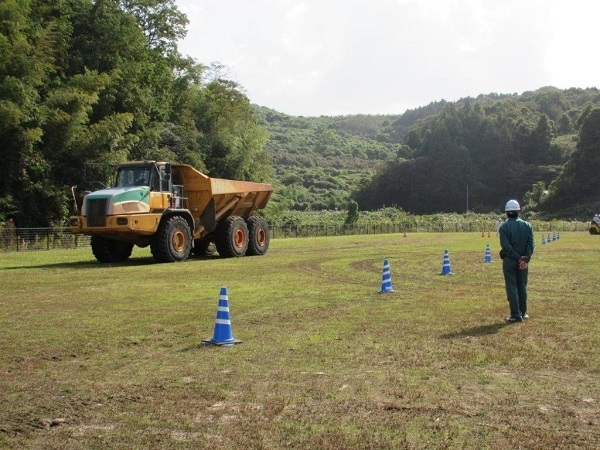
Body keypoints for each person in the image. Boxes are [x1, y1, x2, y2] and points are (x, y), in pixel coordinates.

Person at [499, 199, 535, 323]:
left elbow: (506, 247)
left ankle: (515, 314)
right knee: (522, 286)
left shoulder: (504, 227)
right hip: (523, 262)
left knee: (512, 287)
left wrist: (517, 257)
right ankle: (523, 312)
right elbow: (531, 244)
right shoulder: (527, 226)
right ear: (519, 211)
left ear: (507, 212)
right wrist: (525, 258)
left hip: (510, 261)